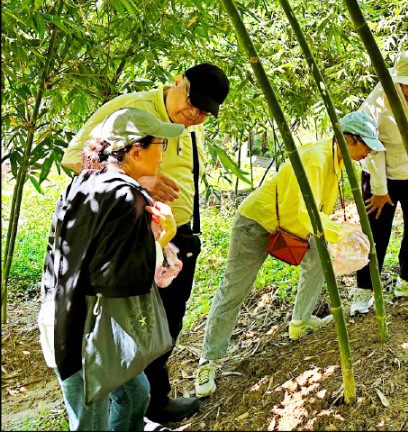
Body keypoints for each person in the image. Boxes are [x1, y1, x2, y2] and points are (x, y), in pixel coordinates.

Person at [61, 64, 229, 423]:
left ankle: (152, 403)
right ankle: (128, 406)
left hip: (175, 239)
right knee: (133, 328)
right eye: (192, 104)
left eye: (203, 113)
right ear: (178, 82)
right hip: (132, 244)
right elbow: (76, 157)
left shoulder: (182, 126)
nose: (195, 116)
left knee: (165, 324)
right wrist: (139, 182)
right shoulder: (132, 112)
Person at [193, 111, 385, 399]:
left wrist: (337, 231)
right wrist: (341, 231)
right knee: (234, 289)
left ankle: (301, 320)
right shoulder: (316, 158)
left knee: (321, 256)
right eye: (365, 144)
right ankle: (208, 361)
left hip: (291, 228)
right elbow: (303, 212)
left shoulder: (337, 161)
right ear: (346, 139)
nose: (368, 151)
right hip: (257, 223)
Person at [39, 108, 184, 431]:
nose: (163, 154)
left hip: (62, 312)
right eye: (160, 144)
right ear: (136, 151)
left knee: (135, 396)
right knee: (89, 420)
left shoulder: (84, 181)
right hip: (90, 332)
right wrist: (166, 237)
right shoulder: (125, 196)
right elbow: (123, 278)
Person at [351, 50, 408, 315]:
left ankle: (407, 281)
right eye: (406, 83)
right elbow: (372, 148)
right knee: (377, 231)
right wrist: (379, 190)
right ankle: (365, 289)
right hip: (381, 171)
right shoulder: (378, 100)